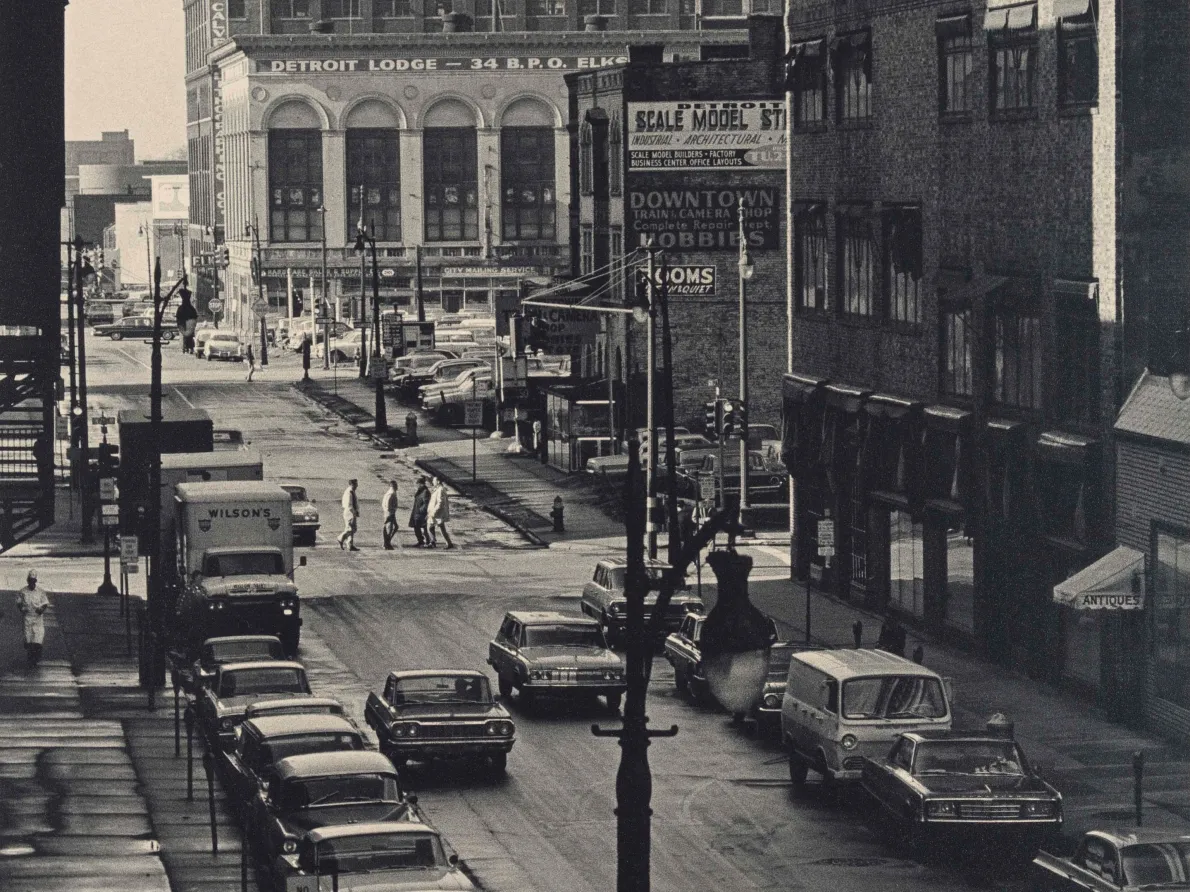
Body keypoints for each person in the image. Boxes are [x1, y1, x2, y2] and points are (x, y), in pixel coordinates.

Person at [16, 570, 49, 669]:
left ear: (36, 581)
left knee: (38, 639)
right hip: (27, 617)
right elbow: (18, 602)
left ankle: (36, 657)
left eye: (33, 581)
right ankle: (31, 659)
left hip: (38, 618)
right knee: (29, 640)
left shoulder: (41, 592)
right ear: (27, 580)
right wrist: (22, 609)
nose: (31, 582)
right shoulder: (22, 591)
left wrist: (41, 610)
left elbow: (45, 603)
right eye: (30, 580)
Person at [426, 477, 454, 549]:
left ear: (438, 481)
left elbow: (440, 502)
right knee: (433, 527)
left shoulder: (440, 490)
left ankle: (436, 542)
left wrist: (434, 512)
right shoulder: (437, 489)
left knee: (433, 527)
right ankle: (436, 542)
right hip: (436, 512)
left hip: (438, 513)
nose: (433, 482)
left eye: (434, 480)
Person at [338, 478, 360, 551]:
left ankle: (350, 545)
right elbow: (349, 505)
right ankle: (340, 538)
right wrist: (354, 513)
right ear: (352, 484)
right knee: (350, 528)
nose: (357, 485)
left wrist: (356, 511)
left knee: (352, 528)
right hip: (349, 512)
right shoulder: (349, 492)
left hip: (352, 511)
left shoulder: (352, 491)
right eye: (356, 484)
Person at [409, 477, 430, 547]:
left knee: (424, 528)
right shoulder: (420, 490)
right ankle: (421, 541)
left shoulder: (425, 492)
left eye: (417, 484)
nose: (416, 486)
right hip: (417, 512)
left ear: (421, 484)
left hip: (421, 514)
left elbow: (426, 504)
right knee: (416, 527)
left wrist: (420, 510)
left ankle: (427, 541)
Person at [381, 480, 400, 550]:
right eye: (396, 485)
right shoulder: (391, 493)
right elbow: (388, 504)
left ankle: (387, 542)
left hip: (390, 512)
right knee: (389, 528)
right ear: (393, 486)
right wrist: (389, 512)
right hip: (390, 513)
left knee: (395, 527)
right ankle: (386, 543)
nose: (397, 486)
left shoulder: (389, 493)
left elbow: (383, 504)